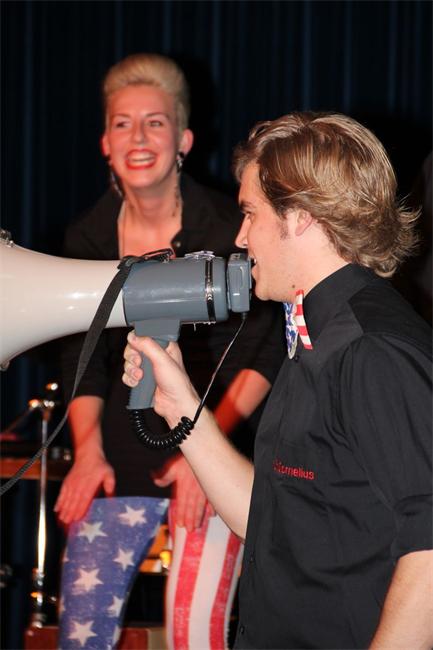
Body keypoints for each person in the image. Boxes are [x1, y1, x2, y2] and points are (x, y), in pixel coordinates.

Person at [123, 112, 433, 649]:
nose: (240, 237)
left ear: (302, 215)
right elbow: (269, 518)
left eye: (250, 213)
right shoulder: (316, 335)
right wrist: (181, 408)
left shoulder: (372, 349)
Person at [54, 53, 285, 649]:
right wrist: (87, 452)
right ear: (105, 143)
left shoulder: (230, 227)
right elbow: (82, 359)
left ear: (182, 140)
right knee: (80, 632)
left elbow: (264, 352)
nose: (138, 137)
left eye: (154, 122)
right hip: (117, 462)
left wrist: (204, 451)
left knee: (193, 634)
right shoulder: (86, 236)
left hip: (216, 450)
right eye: (123, 124)